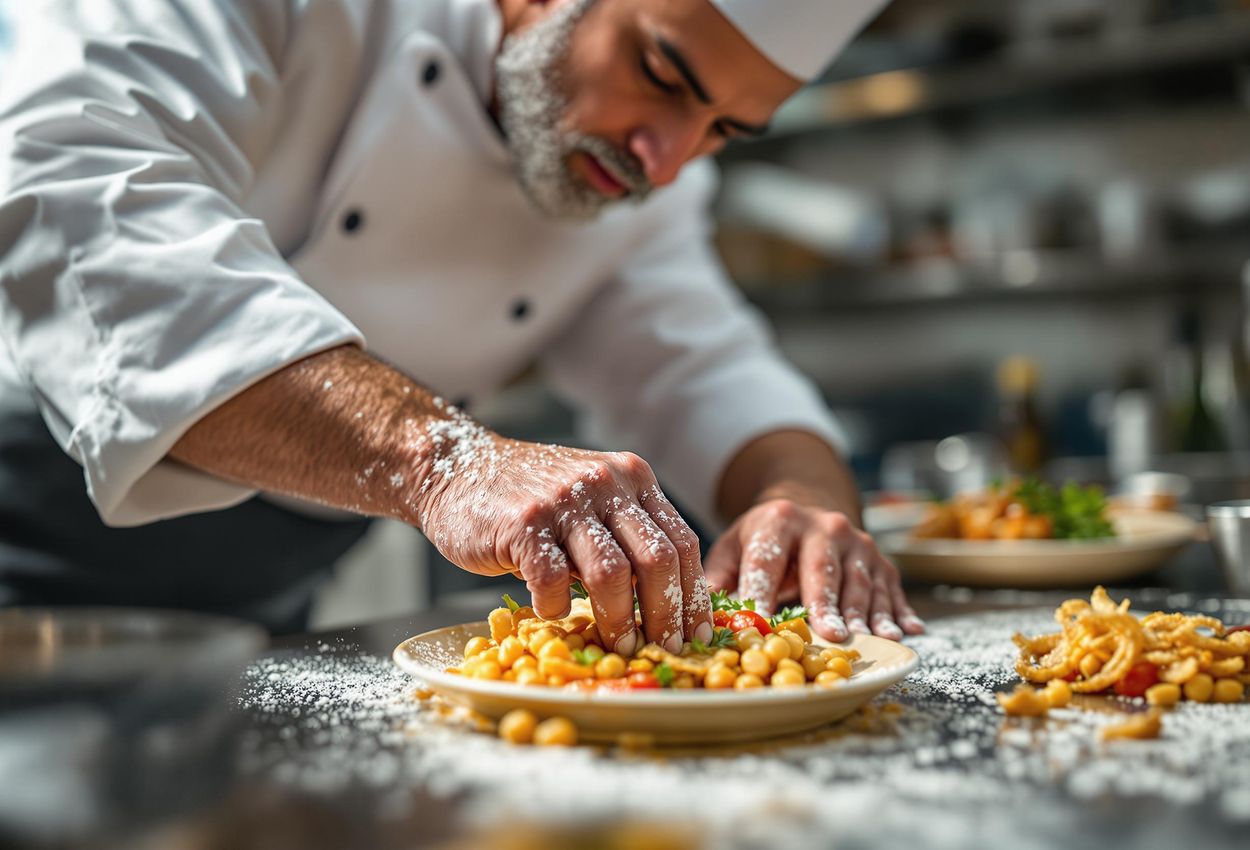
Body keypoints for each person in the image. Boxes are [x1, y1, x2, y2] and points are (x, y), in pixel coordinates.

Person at [0, 0, 924, 648]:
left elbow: (702, 366)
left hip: (263, 598)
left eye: (726, 128)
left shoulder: (638, 186)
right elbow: (78, 199)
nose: (669, 159)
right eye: (662, 74)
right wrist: (440, 462)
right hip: (28, 527)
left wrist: (799, 505)